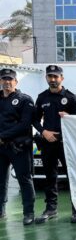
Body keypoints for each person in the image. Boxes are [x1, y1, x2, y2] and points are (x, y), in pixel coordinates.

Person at [33, 65, 76, 223]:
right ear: (46, 78)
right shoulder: (42, 97)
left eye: (56, 77)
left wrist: (70, 117)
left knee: (71, 176)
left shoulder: (71, 97)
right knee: (50, 177)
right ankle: (51, 209)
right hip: (47, 142)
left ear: (62, 78)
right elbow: (34, 118)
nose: (53, 79)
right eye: (50, 76)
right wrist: (43, 131)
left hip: (66, 143)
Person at [0, 68, 36, 225]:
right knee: (0, 180)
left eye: (10, 79)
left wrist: (3, 136)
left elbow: (24, 124)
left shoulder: (24, 99)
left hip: (18, 146)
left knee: (24, 180)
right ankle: (1, 211)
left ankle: (29, 213)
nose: (7, 82)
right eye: (4, 79)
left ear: (16, 81)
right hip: (0, 148)